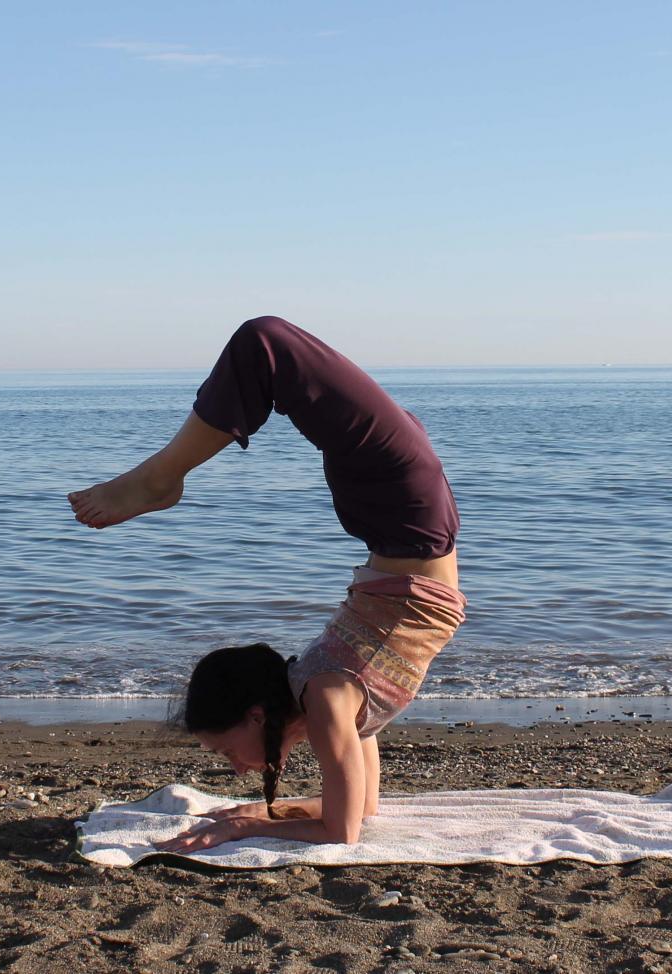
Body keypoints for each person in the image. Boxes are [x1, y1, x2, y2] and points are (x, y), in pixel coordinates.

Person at [68, 316, 465, 850]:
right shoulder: (331, 705)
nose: (234, 769)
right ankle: (162, 476)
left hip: (402, 518)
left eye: (227, 752)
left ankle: (162, 477)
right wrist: (267, 812)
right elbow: (356, 815)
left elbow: (341, 828)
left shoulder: (324, 696)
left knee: (266, 343)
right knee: (270, 352)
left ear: (256, 715)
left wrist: (250, 821)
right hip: (398, 521)